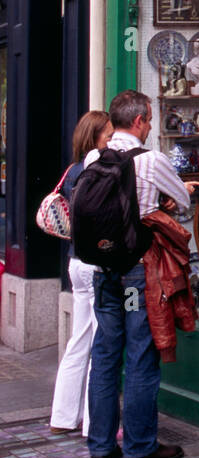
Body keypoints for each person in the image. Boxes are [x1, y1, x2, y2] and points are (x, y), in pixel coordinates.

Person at [85, 90, 195, 458]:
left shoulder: (93, 157)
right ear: (138, 121)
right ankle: (139, 446)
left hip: (103, 273)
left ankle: (100, 446)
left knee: (104, 357)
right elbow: (181, 199)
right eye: (148, 120)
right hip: (137, 273)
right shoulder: (151, 160)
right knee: (141, 356)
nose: (149, 126)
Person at [49, 111, 113, 435]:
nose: (112, 140)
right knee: (101, 342)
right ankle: (93, 422)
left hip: (75, 262)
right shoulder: (96, 170)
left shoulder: (72, 171)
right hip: (95, 263)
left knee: (79, 339)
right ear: (96, 137)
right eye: (108, 134)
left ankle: (62, 417)